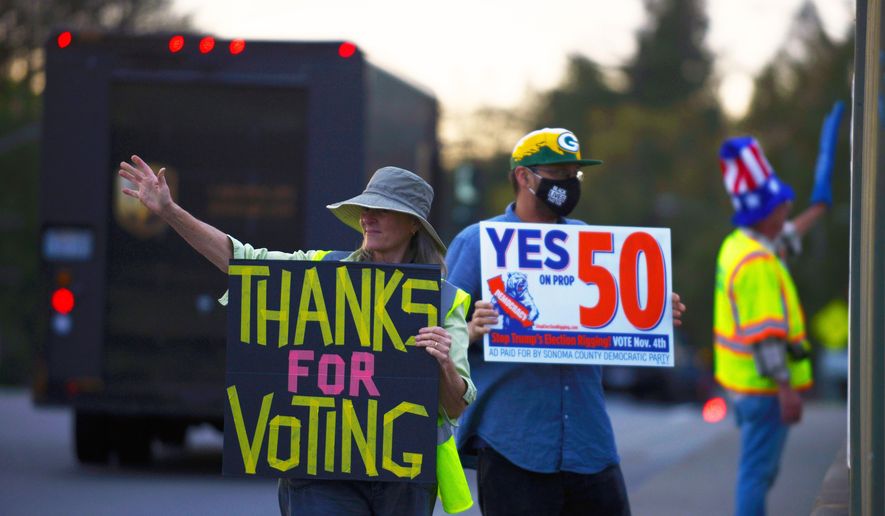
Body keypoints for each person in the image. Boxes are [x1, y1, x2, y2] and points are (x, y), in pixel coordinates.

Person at [118, 157, 475, 515]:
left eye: (381, 210)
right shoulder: (320, 275)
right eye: (364, 209)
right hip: (320, 472)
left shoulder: (444, 300)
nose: (367, 217)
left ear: (413, 224)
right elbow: (242, 261)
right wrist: (168, 211)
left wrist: (442, 363)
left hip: (403, 478)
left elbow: (455, 405)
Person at [445, 127, 686, 516]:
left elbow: (617, 319)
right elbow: (439, 334)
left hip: (590, 443)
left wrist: (654, 314)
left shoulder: (589, 241)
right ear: (524, 177)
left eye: (575, 174)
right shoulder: (479, 242)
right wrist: (469, 331)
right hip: (514, 443)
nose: (569, 184)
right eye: (558, 173)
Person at [713, 101, 842, 516]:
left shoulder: (741, 245)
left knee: (756, 472)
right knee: (757, 476)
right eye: (782, 205)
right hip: (765, 389)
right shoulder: (758, 267)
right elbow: (767, 337)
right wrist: (787, 390)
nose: (788, 209)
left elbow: (786, 235)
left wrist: (817, 209)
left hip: (745, 387)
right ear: (766, 215)